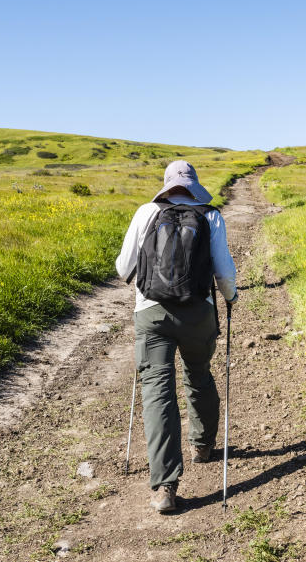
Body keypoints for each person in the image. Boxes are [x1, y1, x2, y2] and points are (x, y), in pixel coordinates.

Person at [115, 160, 238, 513]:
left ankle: (165, 486)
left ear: (166, 185)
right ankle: (203, 446)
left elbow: (124, 268)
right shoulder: (211, 215)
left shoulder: (146, 212)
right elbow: (224, 271)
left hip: (151, 314)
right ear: (194, 185)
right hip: (198, 312)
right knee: (198, 373)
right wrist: (229, 298)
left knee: (157, 393)